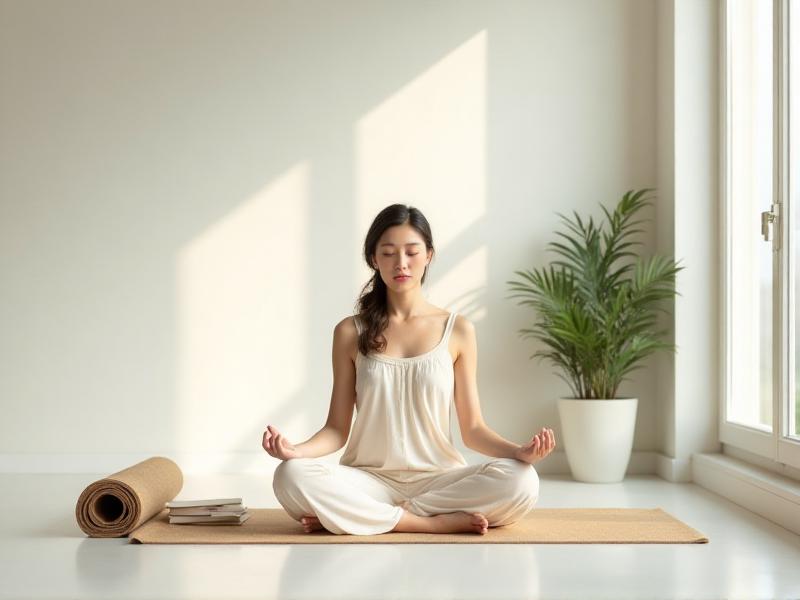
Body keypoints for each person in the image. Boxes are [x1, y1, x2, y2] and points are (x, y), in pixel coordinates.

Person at [263, 204, 556, 536]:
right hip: (368, 480)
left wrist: (519, 452)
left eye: (412, 252)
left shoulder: (457, 330)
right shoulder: (349, 332)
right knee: (289, 475)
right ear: (374, 259)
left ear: (429, 255)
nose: (400, 263)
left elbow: (473, 429)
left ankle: (361, 517)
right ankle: (424, 523)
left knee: (523, 480)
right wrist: (294, 451)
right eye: (387, 253)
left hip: (439, 481)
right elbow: (336, 430)